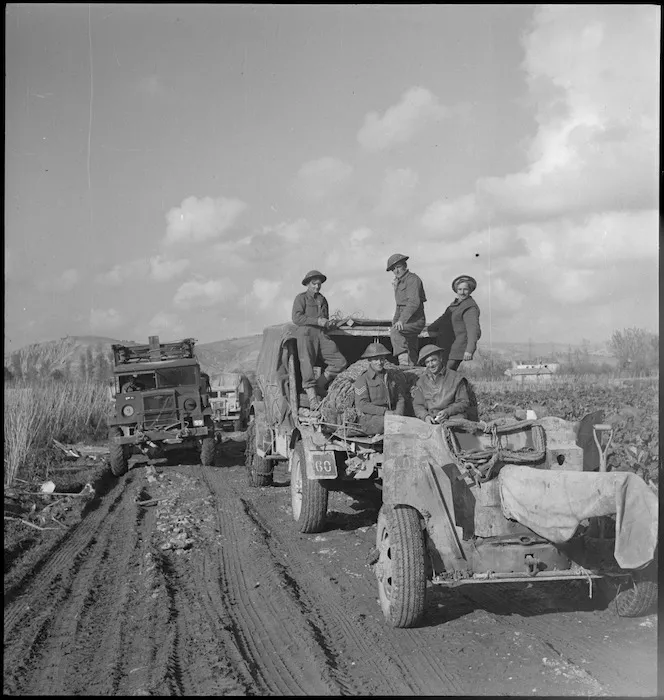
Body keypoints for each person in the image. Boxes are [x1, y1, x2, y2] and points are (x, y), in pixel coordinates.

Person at [292, 269, 348, 409]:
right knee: (307, 365)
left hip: (321, 335)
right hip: (306, 334)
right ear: (307, 284)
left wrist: (330, 323)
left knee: (340, 361)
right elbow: (296, 318)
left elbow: (325, 320)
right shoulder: (301, 298)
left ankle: (319, 385)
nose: (317, 286)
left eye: (319, 284)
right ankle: (312, 399)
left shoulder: (322, 300)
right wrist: (318, 321)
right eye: (314, 284)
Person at [427, 274, 481, 371]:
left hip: (457, 348)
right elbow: (442, 319)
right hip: (446, 346)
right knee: (442, 374)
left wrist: (469, 350)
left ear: (470, 290)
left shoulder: (470, 308)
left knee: (445, 374)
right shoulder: (454, 306)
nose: (462, 292)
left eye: (465, 289)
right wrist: (430, 329)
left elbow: (473, 330)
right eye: (460, 289)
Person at [353, 343, 406, 435]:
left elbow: (400, 398)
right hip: (371, 419)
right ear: (369, 360)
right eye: (375, 359)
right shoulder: (362, 379)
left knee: (406, 425)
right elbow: (362, 404)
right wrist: (384, 412)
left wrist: (399, 413)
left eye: (382, 358)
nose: (379, 362)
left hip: (391, 415)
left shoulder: (391, 376)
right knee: (393, 426)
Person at [412, 344, 471, 423]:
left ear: (440, 358)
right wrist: (425, 416)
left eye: (433, 360)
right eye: (427, 362)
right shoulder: (421, 382)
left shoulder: (456, 378)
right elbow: (418, 405)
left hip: (453, 417)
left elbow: (463, 402)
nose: (431, 365)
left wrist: (447, 412)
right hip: (431, 419)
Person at [386, 253, 427, 366]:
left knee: (396, 331)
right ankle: (412, 367)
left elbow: (413, 302)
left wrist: (401, 321)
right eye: (393, 269)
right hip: (406, 320)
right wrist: (395, 321)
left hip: (415, 320)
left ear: (405, 265)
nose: (396, 271)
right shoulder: (399, 282)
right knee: (410, 345)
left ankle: (403, 364)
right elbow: (399, 306)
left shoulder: (413, 279)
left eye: (398, 267)